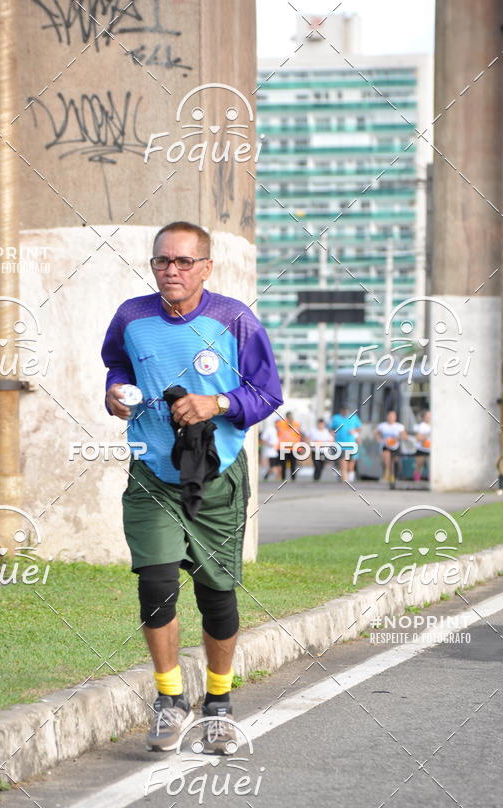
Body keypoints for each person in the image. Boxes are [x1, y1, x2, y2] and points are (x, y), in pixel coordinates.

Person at [101, 221, 283, 755]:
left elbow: (267, 394)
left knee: (216, 595)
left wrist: (217, 403)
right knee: (155, 582)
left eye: (183, 262)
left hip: (215, 476)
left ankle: (219, 707)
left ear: (206, 267)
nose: (171, 271)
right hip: (153, 473)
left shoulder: (235, 320)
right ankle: (170, 699)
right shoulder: (131, 317)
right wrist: (115, 393)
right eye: (162, 261)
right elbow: (117, 363)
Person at [329, 405, 362, 483]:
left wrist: (355, 431)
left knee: (350, 467)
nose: (345, 411)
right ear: (341, 410)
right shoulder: (336, 418)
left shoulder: (354, 417)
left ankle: (348, 479)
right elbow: (330, 429)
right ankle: (344, 482)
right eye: (344, 410)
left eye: (346, 410)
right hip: (340, 446)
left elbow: (360, 428)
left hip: (352, 445)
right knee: (344, 465)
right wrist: (332, 434)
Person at [376, 409, 408, 484]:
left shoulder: (399, 426)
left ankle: (394, 476)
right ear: (387, 417)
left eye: (393, 416)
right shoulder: (383, 426)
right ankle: (387, 476)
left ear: (395, 417)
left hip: (395, 446)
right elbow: (377, 434)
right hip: (386, 446)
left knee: (395, 461)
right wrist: (380, 439)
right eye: (390, 416)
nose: (391, 417)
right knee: (387, 461)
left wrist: (397, 438)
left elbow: (405, 436)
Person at [275, 411, 304, 481]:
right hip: (283, 448)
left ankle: (293, 478)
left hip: (294, 448)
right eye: (289, 417)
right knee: (283, 464)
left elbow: (300, 434)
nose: (290, 419)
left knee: (293, 464)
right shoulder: (281, 423)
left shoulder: (296, 424)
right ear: (286, 417)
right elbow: (276, 424)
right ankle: (283, 478)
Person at [308, 417, 334, 481]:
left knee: (321, 465)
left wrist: (323, 443)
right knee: (317, 465)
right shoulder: (313, 431)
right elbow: (307, 439)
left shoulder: (326, 431)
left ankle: (317, 477)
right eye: (319, 424)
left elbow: (331, 440)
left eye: (322, 424)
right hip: (315, 451)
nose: (320, 425)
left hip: (323, 452)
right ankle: (316, 478)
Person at [413, 409, 431, 482]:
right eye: (427, 416)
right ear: (423, 417)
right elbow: (418, 438)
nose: (429, 417)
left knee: (431, 466)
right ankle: (417, 480)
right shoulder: (421, 426)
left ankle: (431, 480)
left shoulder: (434, 425)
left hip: (431, 449)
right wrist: (427, 435)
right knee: (419, 465)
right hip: (421, 449)